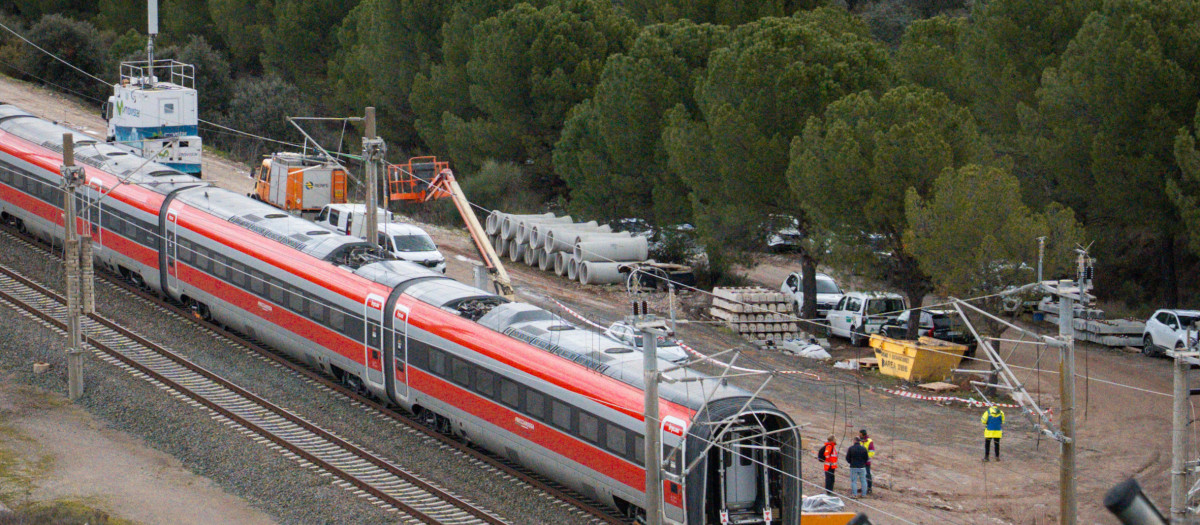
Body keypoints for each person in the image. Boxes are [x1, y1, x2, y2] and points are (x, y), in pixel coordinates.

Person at [859, 429, 876, 494]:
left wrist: (865, 458)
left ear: (863, 434)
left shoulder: (869, 441)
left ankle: (869, 488)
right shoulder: (861, 441)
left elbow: (872, 452)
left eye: (860, 434)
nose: (859, 435)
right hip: (861, 461)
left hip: (866, 462)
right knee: (862, 475)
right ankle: (863, 487)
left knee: (867, 474)